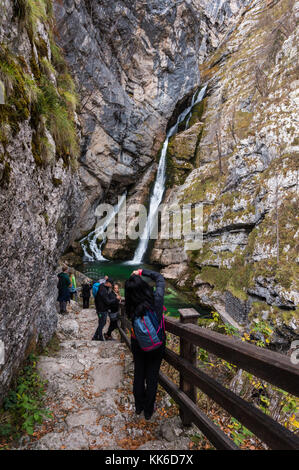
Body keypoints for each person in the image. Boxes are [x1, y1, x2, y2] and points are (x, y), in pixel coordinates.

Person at [125, 268, 166, 420]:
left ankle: (138, 406)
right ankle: (148, 411)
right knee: (152, 376)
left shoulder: (130, 306)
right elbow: (160, 278)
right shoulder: (156, 300)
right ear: (144, 287)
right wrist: (142, 272)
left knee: (139, 373)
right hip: (157, 344)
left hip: (137, 343)